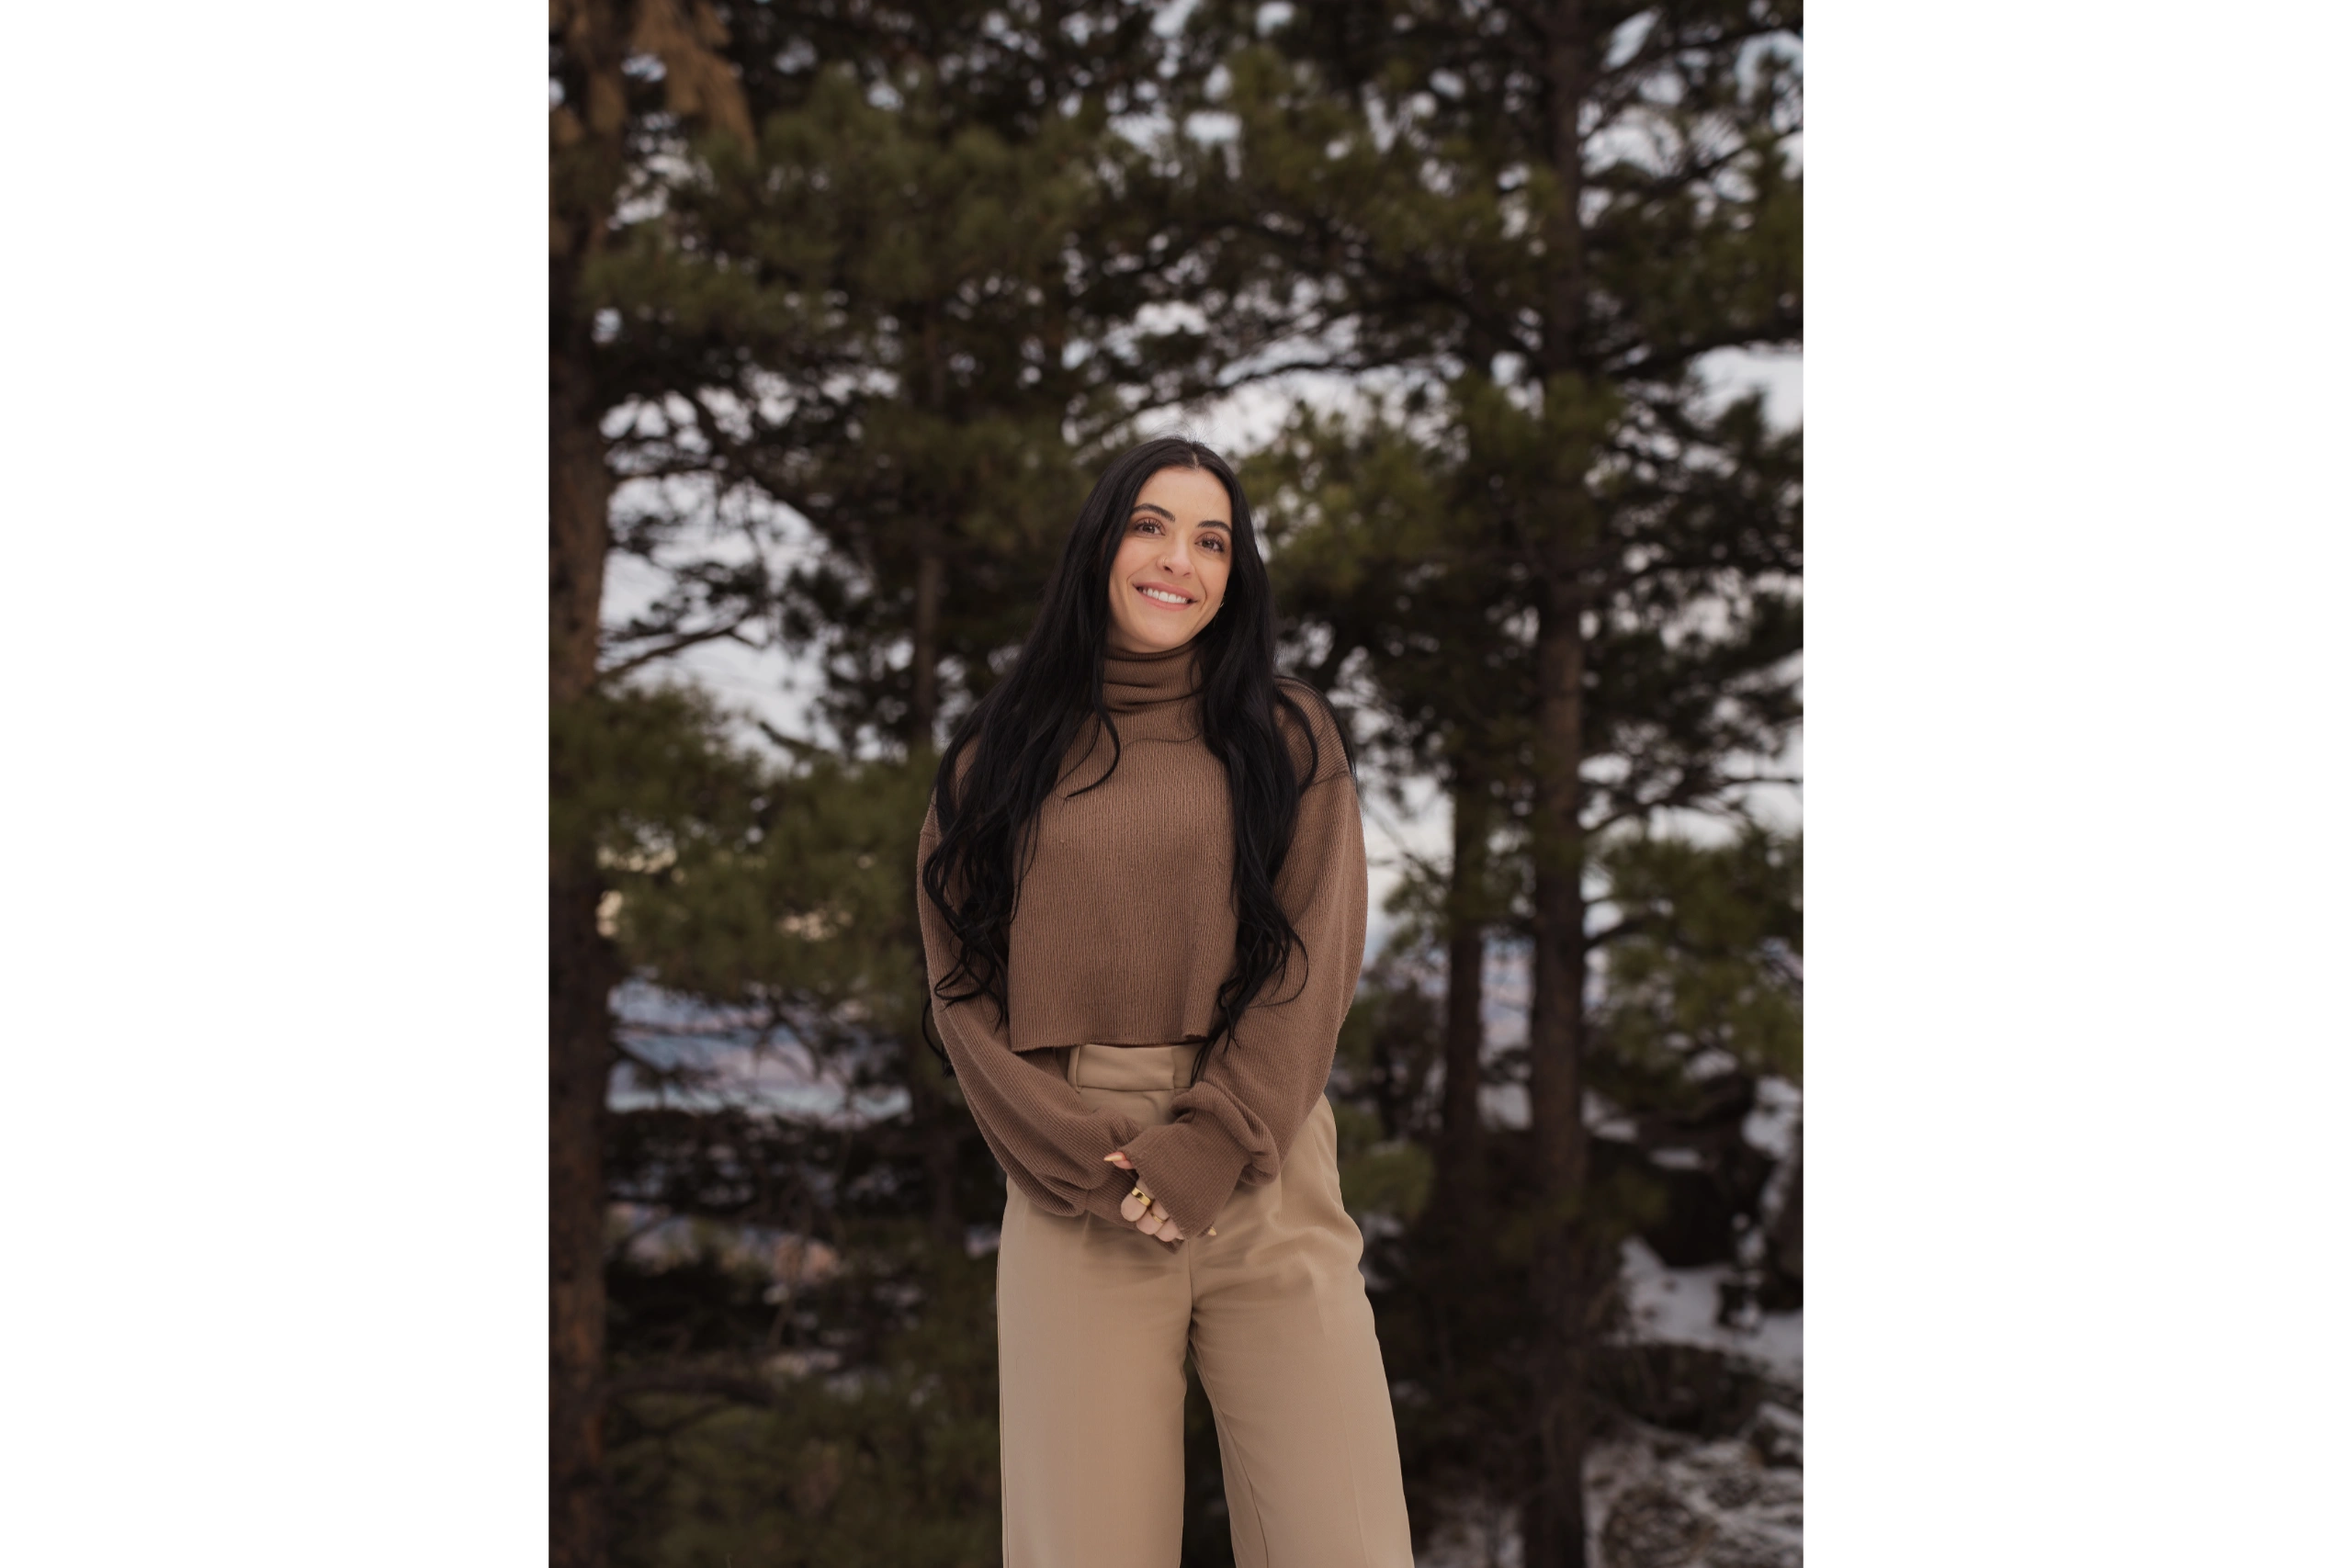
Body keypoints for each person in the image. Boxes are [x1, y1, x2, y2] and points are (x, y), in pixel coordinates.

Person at [917, 436, 1414, 1567]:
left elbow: (1313, 962)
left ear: (1233, 576)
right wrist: (1090, 1160)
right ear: (1100, 544)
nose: (1177, 560)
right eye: (1150, 525)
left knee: (1348, 1543)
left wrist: (1215, 1140)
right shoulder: (996, 761)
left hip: (1266, 1155)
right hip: (1075, 1173)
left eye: (1210, 540)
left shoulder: (1286, 737)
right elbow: (960, 991)